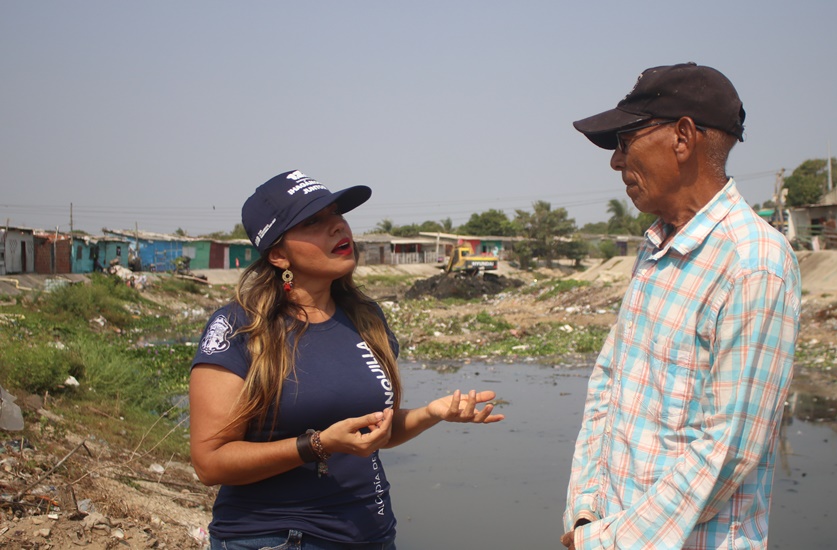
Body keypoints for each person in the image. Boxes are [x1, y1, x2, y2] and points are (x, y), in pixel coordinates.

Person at [189, 169, 505, 550]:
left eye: (337, 213)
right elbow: (210, 462)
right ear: (277, 254)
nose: (338, 226)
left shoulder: (365, 318)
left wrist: (431, 413)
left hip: (372, 535)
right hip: (281, 539)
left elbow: (368, 433)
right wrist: (317, 445)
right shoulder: (239, 328)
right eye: (314, 221)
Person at [561, 63, 801, 549]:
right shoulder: (656, 248)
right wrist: (586, 511)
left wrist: (611, 541)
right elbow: (609, 384)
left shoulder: (754, 263)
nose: (615, 163)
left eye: (624, 143)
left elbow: (728, 450)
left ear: (683, 137)